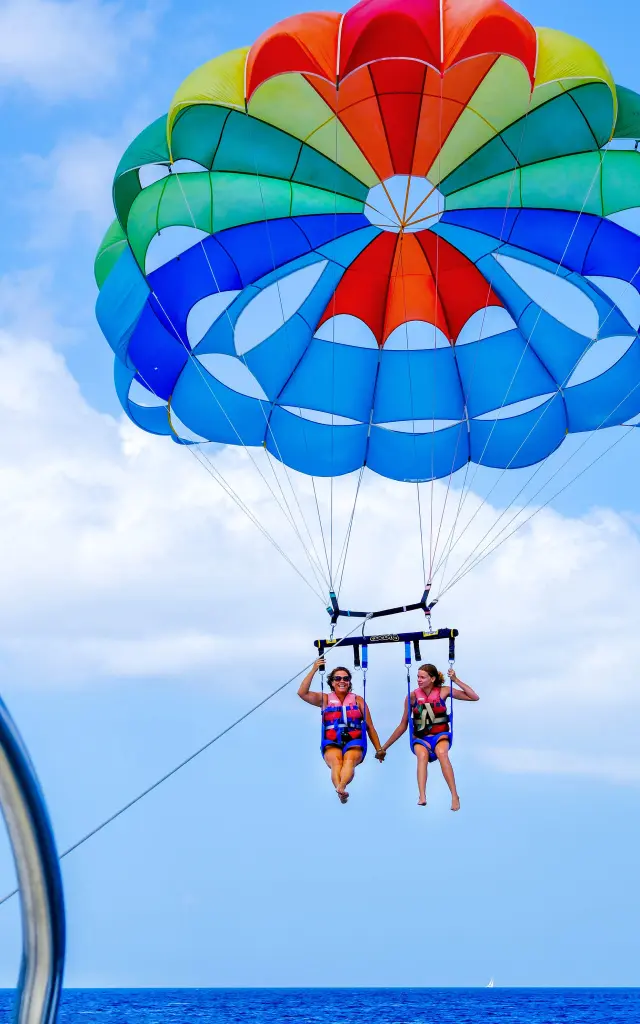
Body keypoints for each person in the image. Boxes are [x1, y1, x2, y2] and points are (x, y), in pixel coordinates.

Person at [376, 663, 479, 810]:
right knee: (422, 757)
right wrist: (383, 748)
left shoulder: (443, 691)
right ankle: (422, 795)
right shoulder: (412, 697)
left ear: (432, 679)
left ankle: (454, 795)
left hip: (440, 736)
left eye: (422, 677)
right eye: (418, 677)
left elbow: (474, 697)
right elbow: (403, 725)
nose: (419, 680)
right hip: (420, 739)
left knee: (442, 753)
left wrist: (455, 679)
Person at [298, 659, 385, 803]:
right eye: (337, 678)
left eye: (346, 678)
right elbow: (302, 693)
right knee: (336, 762)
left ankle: (341, 787)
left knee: (349, 760)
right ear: (332, 682)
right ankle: (341, 791)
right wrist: (314, 669)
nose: (342, 681)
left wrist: (379, 749)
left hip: (354, 739)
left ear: (349, 682)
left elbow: (369, 726)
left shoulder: (358, 700)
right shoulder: (325, 699)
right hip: (332, 740)